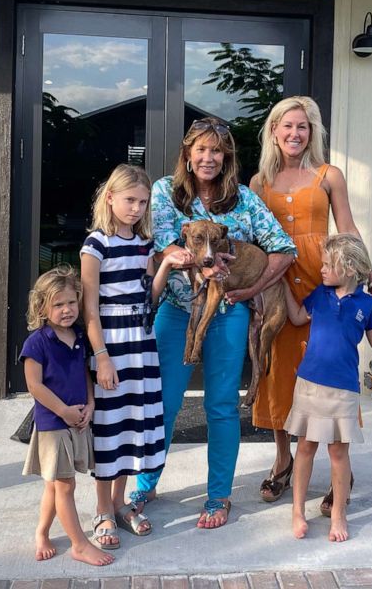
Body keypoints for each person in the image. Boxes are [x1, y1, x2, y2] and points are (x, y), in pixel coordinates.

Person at [130, 117, 297, 529]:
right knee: (163, 403)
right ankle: (145, 483)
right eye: (201, 150)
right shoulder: (165, 193)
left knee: (221, 405)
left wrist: (248, 288)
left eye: (217, 151)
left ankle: (218, 496)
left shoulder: (242, 199)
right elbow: (163, 243)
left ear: (226, 158)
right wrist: (201, 266)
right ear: (188, 154)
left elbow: (283, 248)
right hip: (177, 309)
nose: (209, 158)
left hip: (228, 314)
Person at [249, 96, 372, 512]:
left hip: (323, 276)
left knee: (328, 369)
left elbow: (348, 229)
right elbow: (251, 237)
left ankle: (341, 469)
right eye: (287, 126)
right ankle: (283, 459)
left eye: (303, 126)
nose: (295, 134)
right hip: (278, 281)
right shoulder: (260, 181)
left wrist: (371, 278)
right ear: (274, 131)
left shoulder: (328, 174)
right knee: (279, 369)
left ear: (312, 132)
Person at [80, 164, 185, 549]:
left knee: (130, 427)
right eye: (129, 200)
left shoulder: (145, 245)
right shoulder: (96, 245)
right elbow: (89, 309)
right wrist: (101, 357)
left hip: (142, 344)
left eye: (142, 202)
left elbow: (150, 297)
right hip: (111, 343)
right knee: (109, 430)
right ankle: (103, 509)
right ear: (110, 198)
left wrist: (166, 265)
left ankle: (122, 504)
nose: (136, 208)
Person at [282, 234, 372, 542]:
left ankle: (338, 515)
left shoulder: (367, 305)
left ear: (348, 268)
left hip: (343, 389)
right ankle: (297, 512)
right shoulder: (320, 295)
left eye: (327, 265)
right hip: (309, 383)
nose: (321, 269)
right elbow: (296, 318)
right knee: (305, 446)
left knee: (338, 452)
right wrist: (278, 280)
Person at [19, 265, 114, 566]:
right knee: (65, 485)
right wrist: (62, 410)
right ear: (42, 307)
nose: (67, 309)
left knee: (54, 484)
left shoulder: (78, 337)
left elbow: (84, 375)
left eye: (72, 302)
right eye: (58, 304)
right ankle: (79, 545)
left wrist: (90, 404)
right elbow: (34, 385)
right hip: (53, 424)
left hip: (77, 420)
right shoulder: (37, 342)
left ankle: (42, 533)